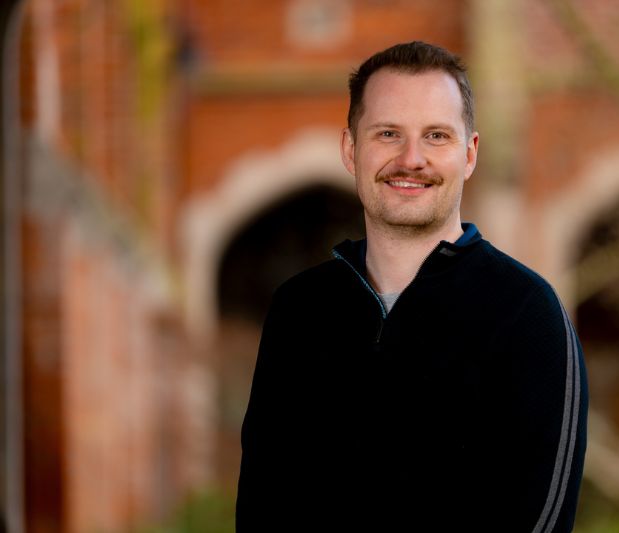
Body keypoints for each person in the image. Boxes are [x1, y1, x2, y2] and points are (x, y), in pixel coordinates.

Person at [236, 41, 588, 533]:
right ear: (349, 149)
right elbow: (262, 505)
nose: (411, 158)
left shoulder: (528, 315)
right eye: (388, 133)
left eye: (437, 136)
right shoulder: (299, 309)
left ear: (469, 154)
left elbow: (540, 522)